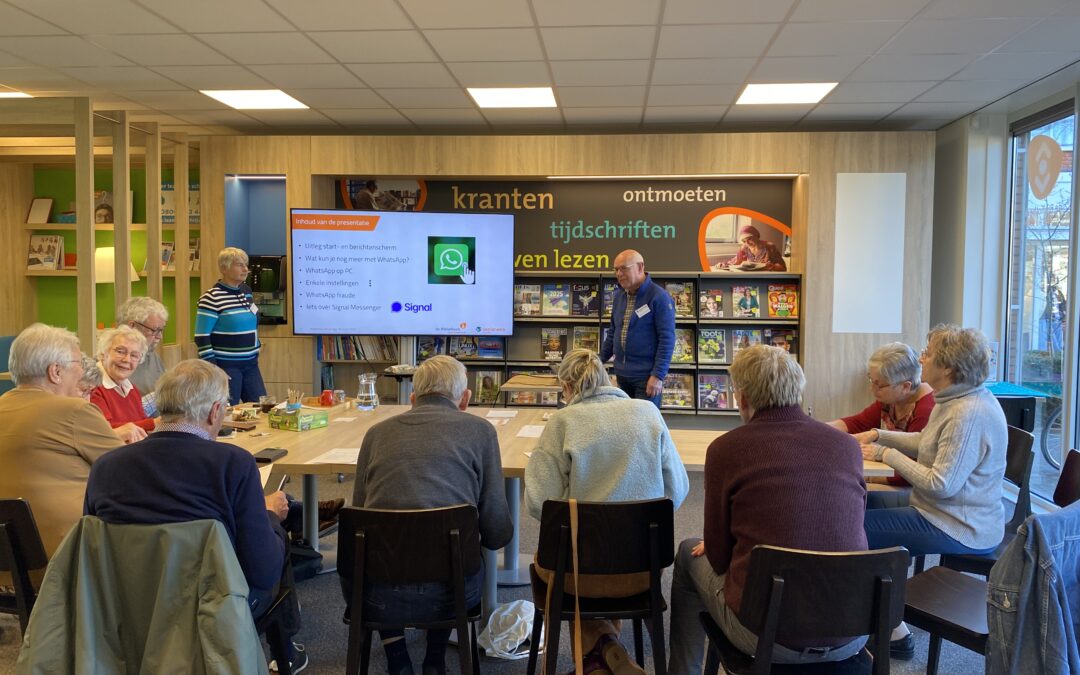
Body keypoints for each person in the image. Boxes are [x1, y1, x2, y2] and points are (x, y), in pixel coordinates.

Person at [84, 359, 306, 673]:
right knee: (275, 537)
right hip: (211, 611)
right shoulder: (234, 465)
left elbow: (92, 554)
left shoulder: (105, 468)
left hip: (124, 610)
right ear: (216, 411)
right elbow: (262, 573)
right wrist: (269, 515)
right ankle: (285, 654)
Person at [668, 345, 868, 673]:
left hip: (767, 635)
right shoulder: (847, 446)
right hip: (854, 629)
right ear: (798, 388)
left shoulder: (726, 449)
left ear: (742, 398)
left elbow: (717, 558)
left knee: (688, 552)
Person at [524, 348, 689, 673]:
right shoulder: (648, 413)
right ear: (606, 379)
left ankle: (597, 653)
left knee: (566, 551)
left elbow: (539, 503)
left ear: (567, 388)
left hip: (575, 574)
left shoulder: (562, 422)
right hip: (643, 571)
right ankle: (605, 649)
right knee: (597, 553)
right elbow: (678, 491)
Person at [349, 355, 512, 675]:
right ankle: (435, 659)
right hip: (454, 594)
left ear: (412, 398)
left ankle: (397, 657)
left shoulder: (375, 434)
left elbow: (358, 515)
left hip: (376, 594)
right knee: (455, 548)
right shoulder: (481, 432)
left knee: (376, 547)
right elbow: (497, 533)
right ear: (464, 399)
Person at [857, 325, 1007, 660]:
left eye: (928, 354)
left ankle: (893, 632)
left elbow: (941, 484)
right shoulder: (954, 398)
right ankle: (877, 605)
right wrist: (878, 436)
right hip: (938, 511)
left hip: (960, 525)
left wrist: (886, 454)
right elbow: (926, 442)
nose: (921, 358)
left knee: (856, 528)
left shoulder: (967, 414)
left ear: (948, 368)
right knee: (857, 503)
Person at [0, 324, 121, 561]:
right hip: (64, 566)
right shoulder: (74, 410)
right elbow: (134, 472)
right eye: (78, 364)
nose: (83, 370)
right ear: (55, 371)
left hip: (7, 570)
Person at [828, 342, 935, 508]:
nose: (872, 389)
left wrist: (866, 477)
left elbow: (910, 472)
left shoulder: (926, 410)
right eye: (871, 380)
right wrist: (816, 429)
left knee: (845, 494)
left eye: (879, 384)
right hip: (897, 478)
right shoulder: (893, 398)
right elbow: (856, 423)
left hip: (914, 490)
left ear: (905, 386)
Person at [599, 249, 676, 408]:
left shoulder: (659, 297)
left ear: (640, 267)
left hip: (646, 379)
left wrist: (657, 376)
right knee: (624, 424)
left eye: (623, 268)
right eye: (616, 269)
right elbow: (613, 333)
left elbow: (667, 339)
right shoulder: (619, 296)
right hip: (622, 376)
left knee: (644, 429)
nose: (619, 273)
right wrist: (597, 361)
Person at [195, 247, 267, 405]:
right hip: (226, 367)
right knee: (226, 413)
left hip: (251, 364)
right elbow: (201, 337)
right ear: (224, 268)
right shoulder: (211, 298)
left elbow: (252, 323)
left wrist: (257, 345)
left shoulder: (246, 292)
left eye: (246, 265)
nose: (245, 269)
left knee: (261, 407)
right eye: (239, 265)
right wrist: (214, 369)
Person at [89, 326, 155, 438]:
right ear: (103, 353)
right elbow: (104, 430)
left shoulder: (131, 389)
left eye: (134, 355)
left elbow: (142, 423)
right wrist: (152, 423)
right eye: (120, 351)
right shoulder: (92, 387)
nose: (127, 360)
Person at [116, 296, 168, 397]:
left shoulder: (151, 354)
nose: (160, 336)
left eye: (161, 330)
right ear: (132, 326)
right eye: (155, 330)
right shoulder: (114, 362)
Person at [716, 224, 786, 271]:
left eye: (749, 239)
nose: (747, 243)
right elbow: (735, 261)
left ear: (756, 236)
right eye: (744, 241)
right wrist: (723, 264)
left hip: (766, 278)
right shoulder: (744, 248)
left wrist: (772, 266)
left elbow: (783, 268)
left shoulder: (770, 247)